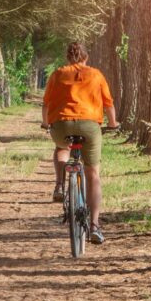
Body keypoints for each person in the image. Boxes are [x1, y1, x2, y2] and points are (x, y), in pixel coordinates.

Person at [40, 41, 119, 245]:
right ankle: (94, 225)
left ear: (68, 57)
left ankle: (59, 184)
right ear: (86, 57)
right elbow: (108, 104)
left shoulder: (57, 74)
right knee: (93, 174)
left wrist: (45, 123)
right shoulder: (96, 75)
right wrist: (113, 123)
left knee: (61, 147)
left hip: (62, 124)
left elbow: (46, 103)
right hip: (89, 126)